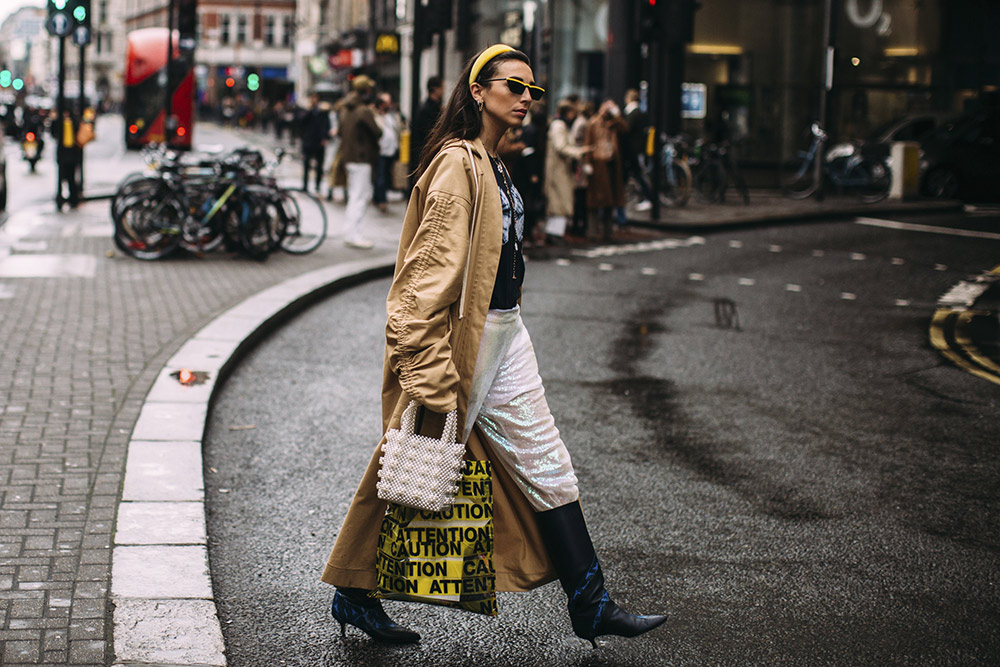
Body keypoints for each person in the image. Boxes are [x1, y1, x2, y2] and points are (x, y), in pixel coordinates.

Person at [320, 44, 666, 648]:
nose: (526, 99)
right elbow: (421, 283)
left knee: (542, 460)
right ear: (478, 91)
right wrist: (429, 370)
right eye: (513, 86)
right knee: (414, 465)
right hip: (467, 344)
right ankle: (354, 592)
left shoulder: (494, 161)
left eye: (533, 90)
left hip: (507, 334)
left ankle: (591, 602)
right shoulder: (458, 165)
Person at [337, 75, 382, 248]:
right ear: (366, 91)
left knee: (354, 196)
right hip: (362, 158)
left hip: (349, 157)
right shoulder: (363, 111)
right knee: (359, 197)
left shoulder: (345, 109)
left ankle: (350, 232)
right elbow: (378, 132)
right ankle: (354, 235)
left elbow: (341, 132)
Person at [544, 99, 590, 244]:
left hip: (561, 169)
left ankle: (555, 233)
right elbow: (561, 147)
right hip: (559, 170)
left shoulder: (560, 124)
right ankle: (554, 234)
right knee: (559, 201)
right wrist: (579, 152)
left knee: (560, 201)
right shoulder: (559, 126)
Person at [584, 100, 628, 243]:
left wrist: (616, 115)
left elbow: (625, 129)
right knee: (595, 201)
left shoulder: (614, 123)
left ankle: (608, 233)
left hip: (612, 165)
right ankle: (593, 232)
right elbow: (588, 142)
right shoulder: (593, 122)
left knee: (610, 201)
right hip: (598, 164)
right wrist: (587, 162)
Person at [622, 89, 653, 212]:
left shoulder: (632, 114)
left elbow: (626, 130)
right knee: (636, 175)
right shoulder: (640, 112)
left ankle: (647, 198)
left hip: (632, 150)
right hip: (637, 149)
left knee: (637, 175)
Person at [409, 75, 444, 179]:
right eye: (441, 88)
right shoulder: (426, 109)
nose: (443, 91)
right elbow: (427, 134)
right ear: (435, 89)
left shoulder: (434, 107)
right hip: (425, 152)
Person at [373, 92, 401, 212]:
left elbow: (398, 128)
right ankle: (382, 200)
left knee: (385, 174)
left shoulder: (393, 116)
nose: (389, 104)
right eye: (386, 102)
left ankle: (377, 196)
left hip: (392, 149)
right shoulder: (375, 116)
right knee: (381, 175)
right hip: (381, 150)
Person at [300, 93, 332, 193]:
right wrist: (309, 110)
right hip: (308, 141)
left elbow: (326, 125)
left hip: (318, 142)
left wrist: (325, 138)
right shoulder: (307, 110)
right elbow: (301, 122)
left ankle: (317, 185)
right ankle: (305, 185)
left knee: (319, 166)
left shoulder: (323, 111)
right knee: (306, 164)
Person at [53, 110, 82, 209]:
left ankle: (72, 198)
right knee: (68, 177)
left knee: (69, 178)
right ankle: (71, 198)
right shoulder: (71, 121)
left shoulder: (71, 121)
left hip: (70, 155)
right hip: (68, 155)